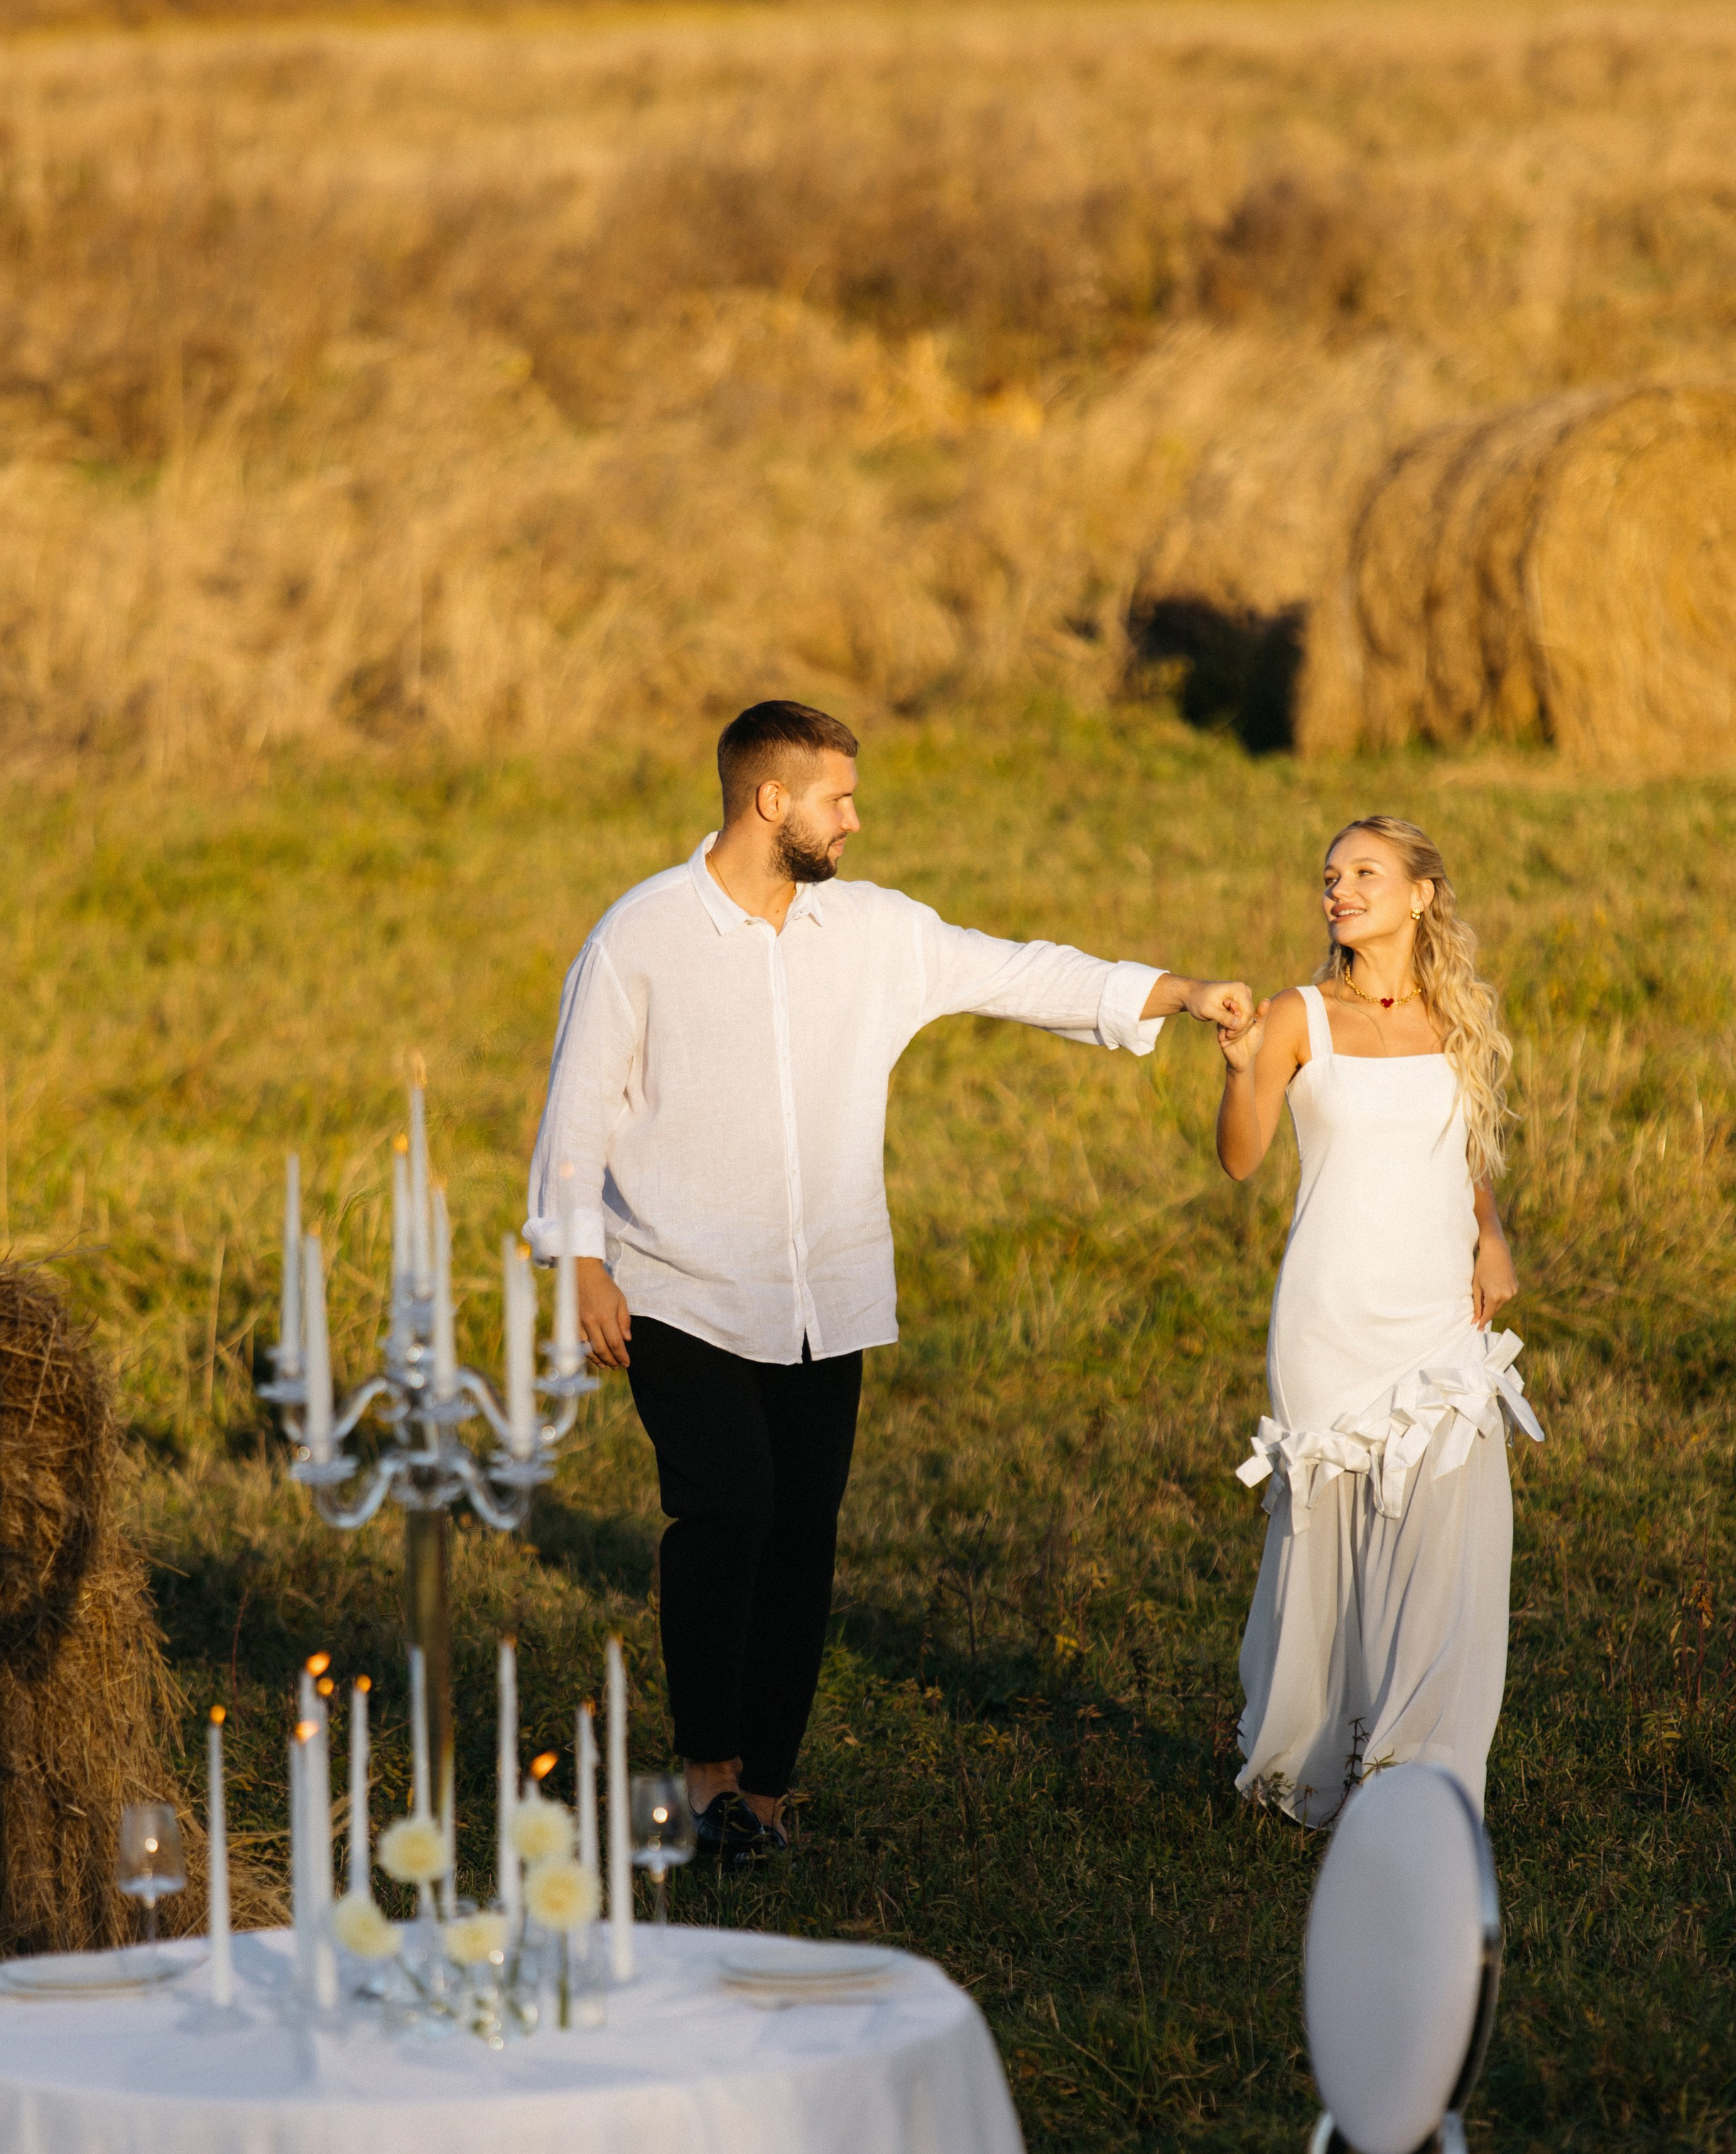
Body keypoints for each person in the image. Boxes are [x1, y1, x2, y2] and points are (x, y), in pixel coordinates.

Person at [527, 700, 1252, 1866]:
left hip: (826, 1295)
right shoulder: (641, 936)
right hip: (678, 1285)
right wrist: (580, 1264)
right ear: (773, 802)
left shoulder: (873, 931)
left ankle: (766, 1795)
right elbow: (579, 1109)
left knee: (804, 1534)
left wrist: (1174, 993)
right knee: (729, 1516)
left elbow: (1017, 972)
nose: (855, 822)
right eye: (838, 798)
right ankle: (706, 1778)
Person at [1215, 813, 1542, 1827]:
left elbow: (1469, 1150)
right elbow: (1240, 1157)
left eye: (1363, 872)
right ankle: (1308, 1769)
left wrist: (1490, 1235)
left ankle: (1417, 1785)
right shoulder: (1298, 1014)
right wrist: (1238, 1068)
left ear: (1420, 896)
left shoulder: (1458, 1015)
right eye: (1329, 876)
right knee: (1335, 1550)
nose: (1339, 889)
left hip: (1437, 1317)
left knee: (1453, 1547)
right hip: (1332, 1316)